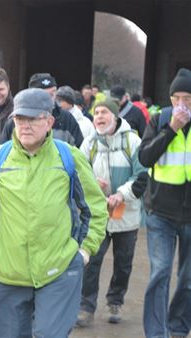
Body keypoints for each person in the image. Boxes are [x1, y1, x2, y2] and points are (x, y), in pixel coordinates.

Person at [0, 88, 108, 338]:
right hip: (9, 274)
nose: (25, 125)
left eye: (33, 119)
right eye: (20, 119)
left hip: (58, 269)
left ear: (50, 121)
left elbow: (95, 209)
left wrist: (84, 251)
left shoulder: (69, 158)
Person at [76, 99, 148, 327]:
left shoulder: (133, 141)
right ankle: (86, 307)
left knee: (123, 263)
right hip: (98, 214)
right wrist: (91, 182)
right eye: (96, 112)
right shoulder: (88, 143)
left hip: (126, 215)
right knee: (91, 260)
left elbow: (142, 176)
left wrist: (121, 194)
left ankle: (115, 301)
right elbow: (77, 173)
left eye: (104, 112)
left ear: (115, 116)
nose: (98, 116)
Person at [139, 67, 191, 338]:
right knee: (160, 273)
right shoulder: (159, 121)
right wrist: (171, 130)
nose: (182, 104)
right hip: (160, 212)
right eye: (177, 97)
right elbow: (145, 158)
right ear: (170, 99)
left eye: (188, 98)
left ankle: (179, 327)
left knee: (188, 279)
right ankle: (156, 334)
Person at [0, 73, 84, 147]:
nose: (49, 100)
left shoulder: (67, 119)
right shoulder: (14, 121)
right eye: (43, 96)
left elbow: (79, 149)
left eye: (52, 94)